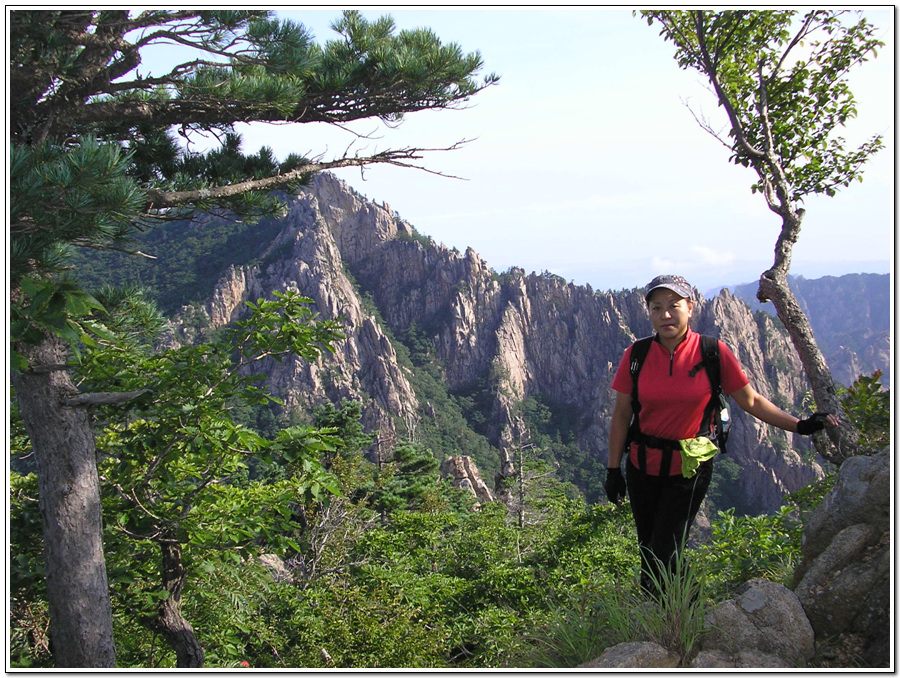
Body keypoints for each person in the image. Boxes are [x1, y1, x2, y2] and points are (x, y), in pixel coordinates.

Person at [605, 274, 837, 595]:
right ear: (649, 313)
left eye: (674, 306)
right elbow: (621, 415)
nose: (666, 315)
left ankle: (692, 617)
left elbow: (751, 401)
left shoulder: (712, 352)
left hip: (689, 469)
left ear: (690, 307)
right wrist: (613, 469)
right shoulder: (636, 355)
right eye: (657, 308)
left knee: (663, 552)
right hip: (642, 468)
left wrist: (799, 425)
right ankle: (668, 620)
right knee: (650, 553)